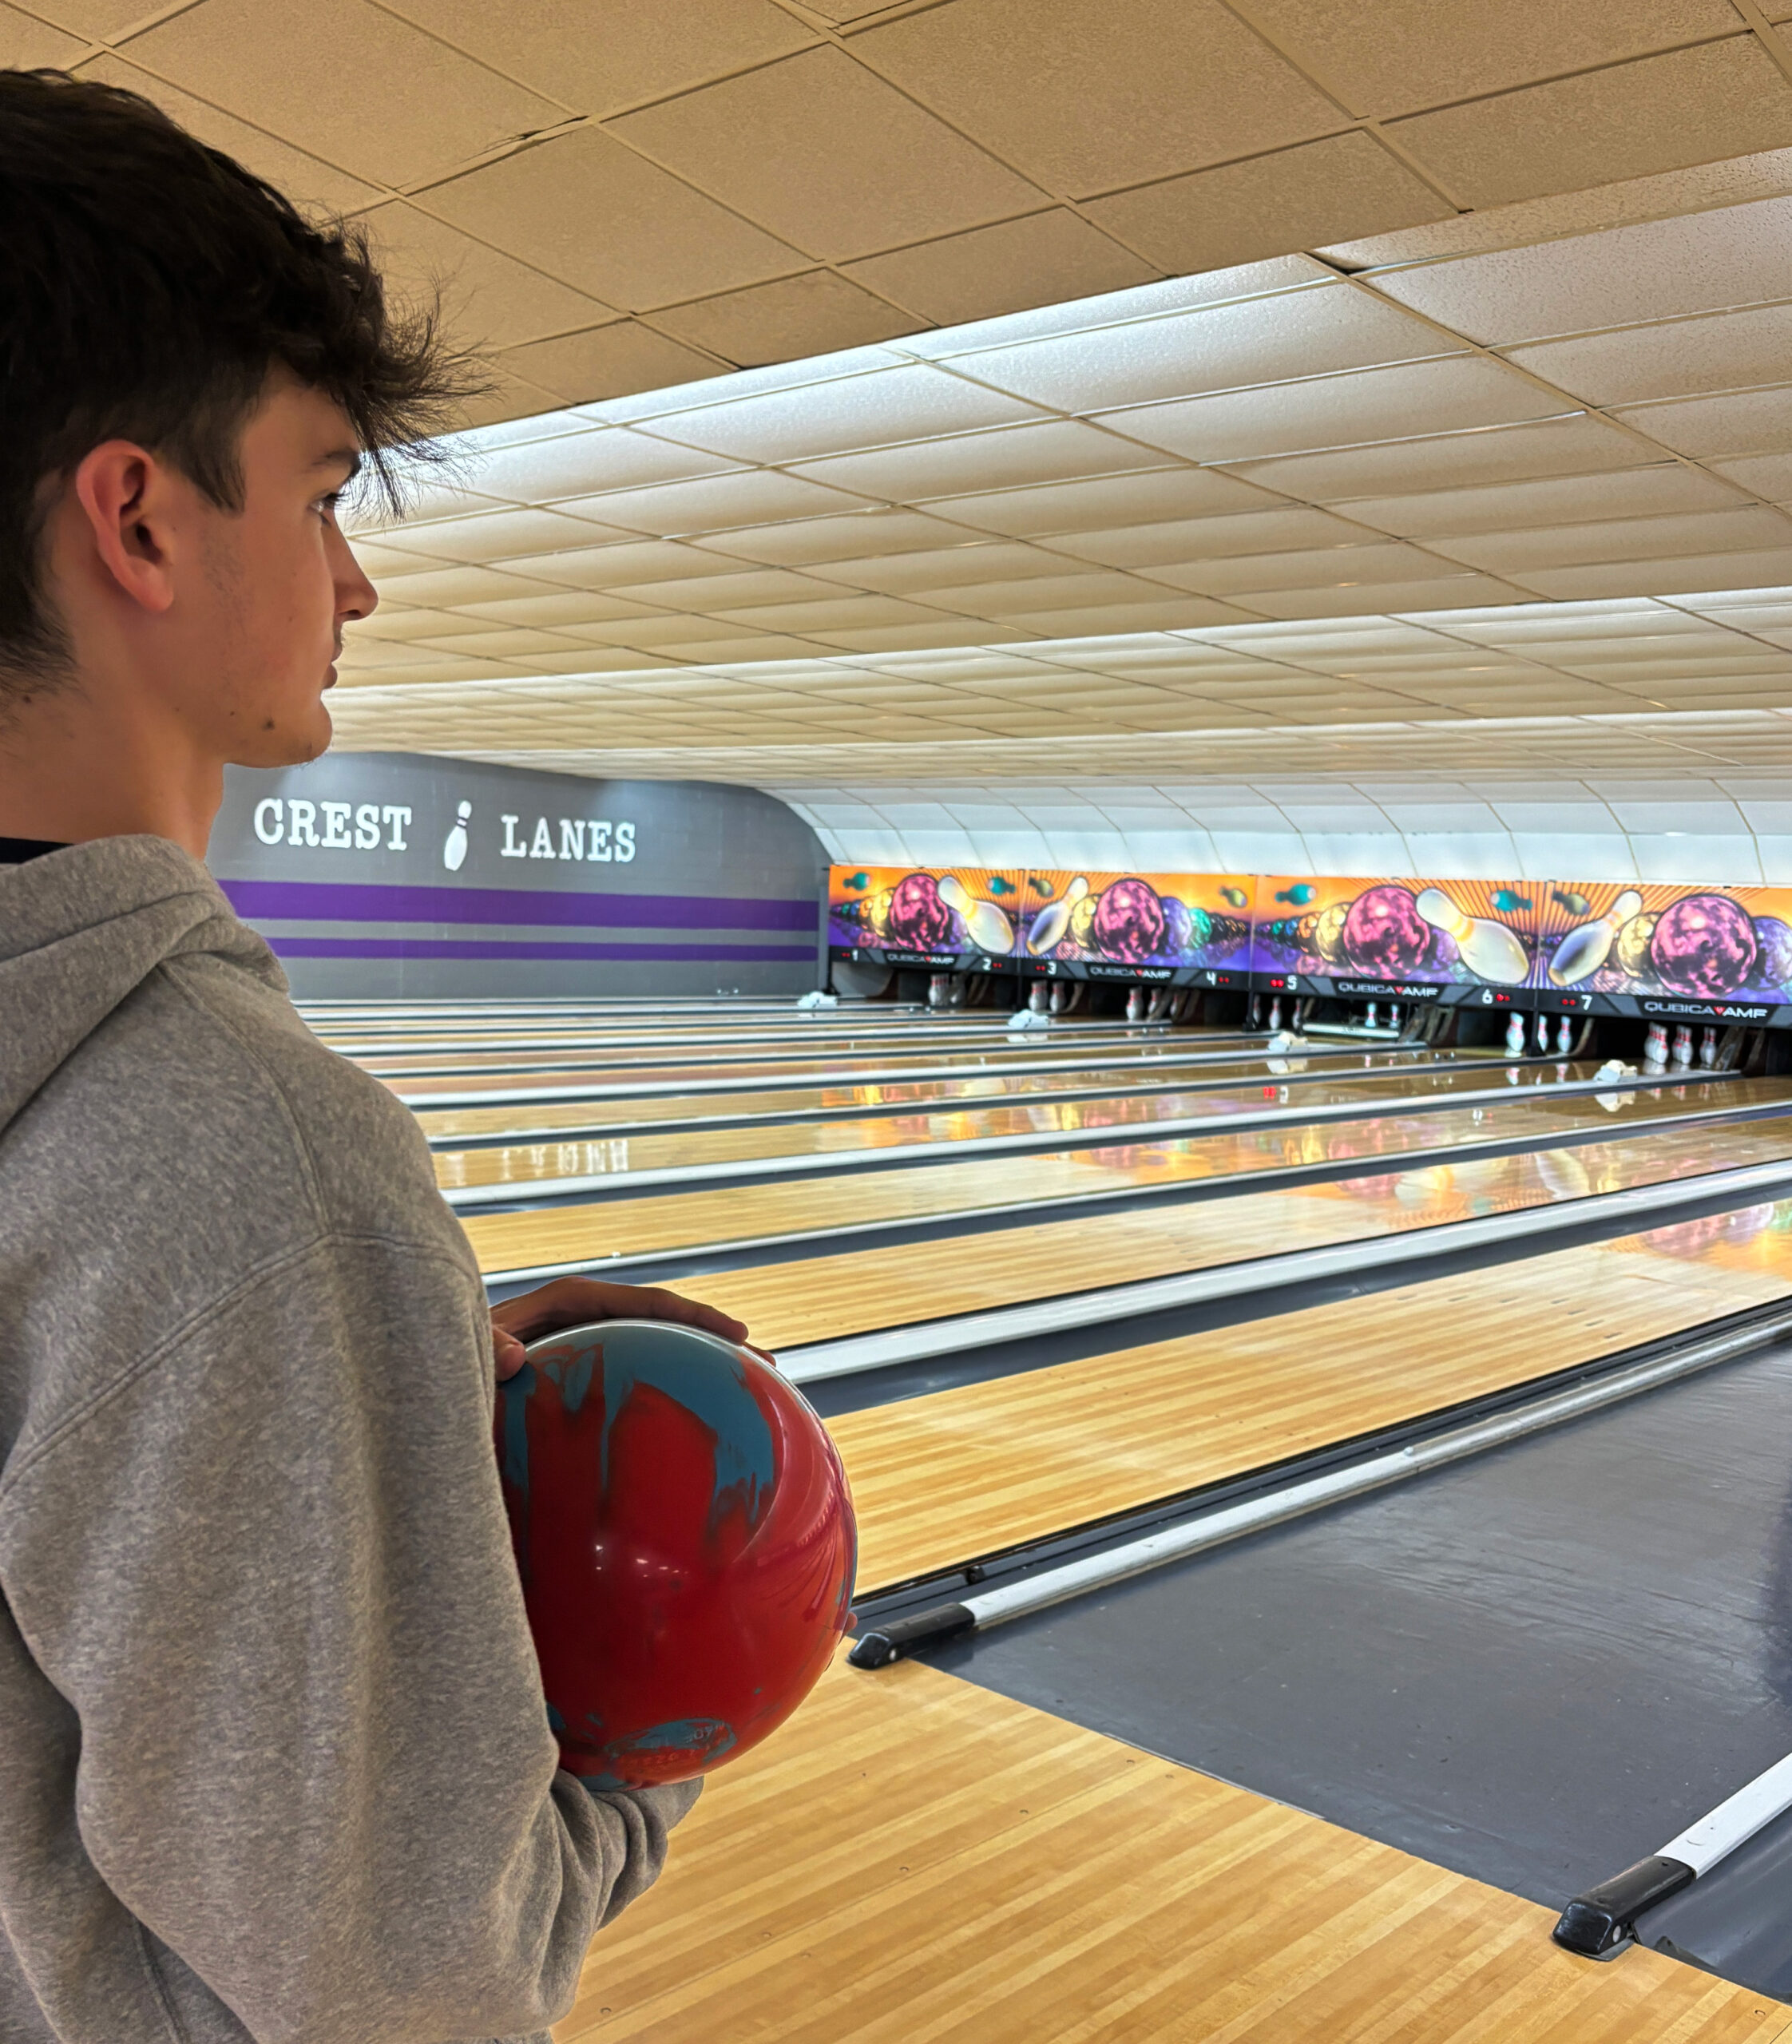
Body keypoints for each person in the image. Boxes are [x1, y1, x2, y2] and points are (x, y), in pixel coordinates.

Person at [0, 67, 749, 2044]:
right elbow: (406, 1989)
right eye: (327, 491)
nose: (356, 581)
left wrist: (365, 1393)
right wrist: (657, 1709)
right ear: (140, 519)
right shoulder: (249, 1158)